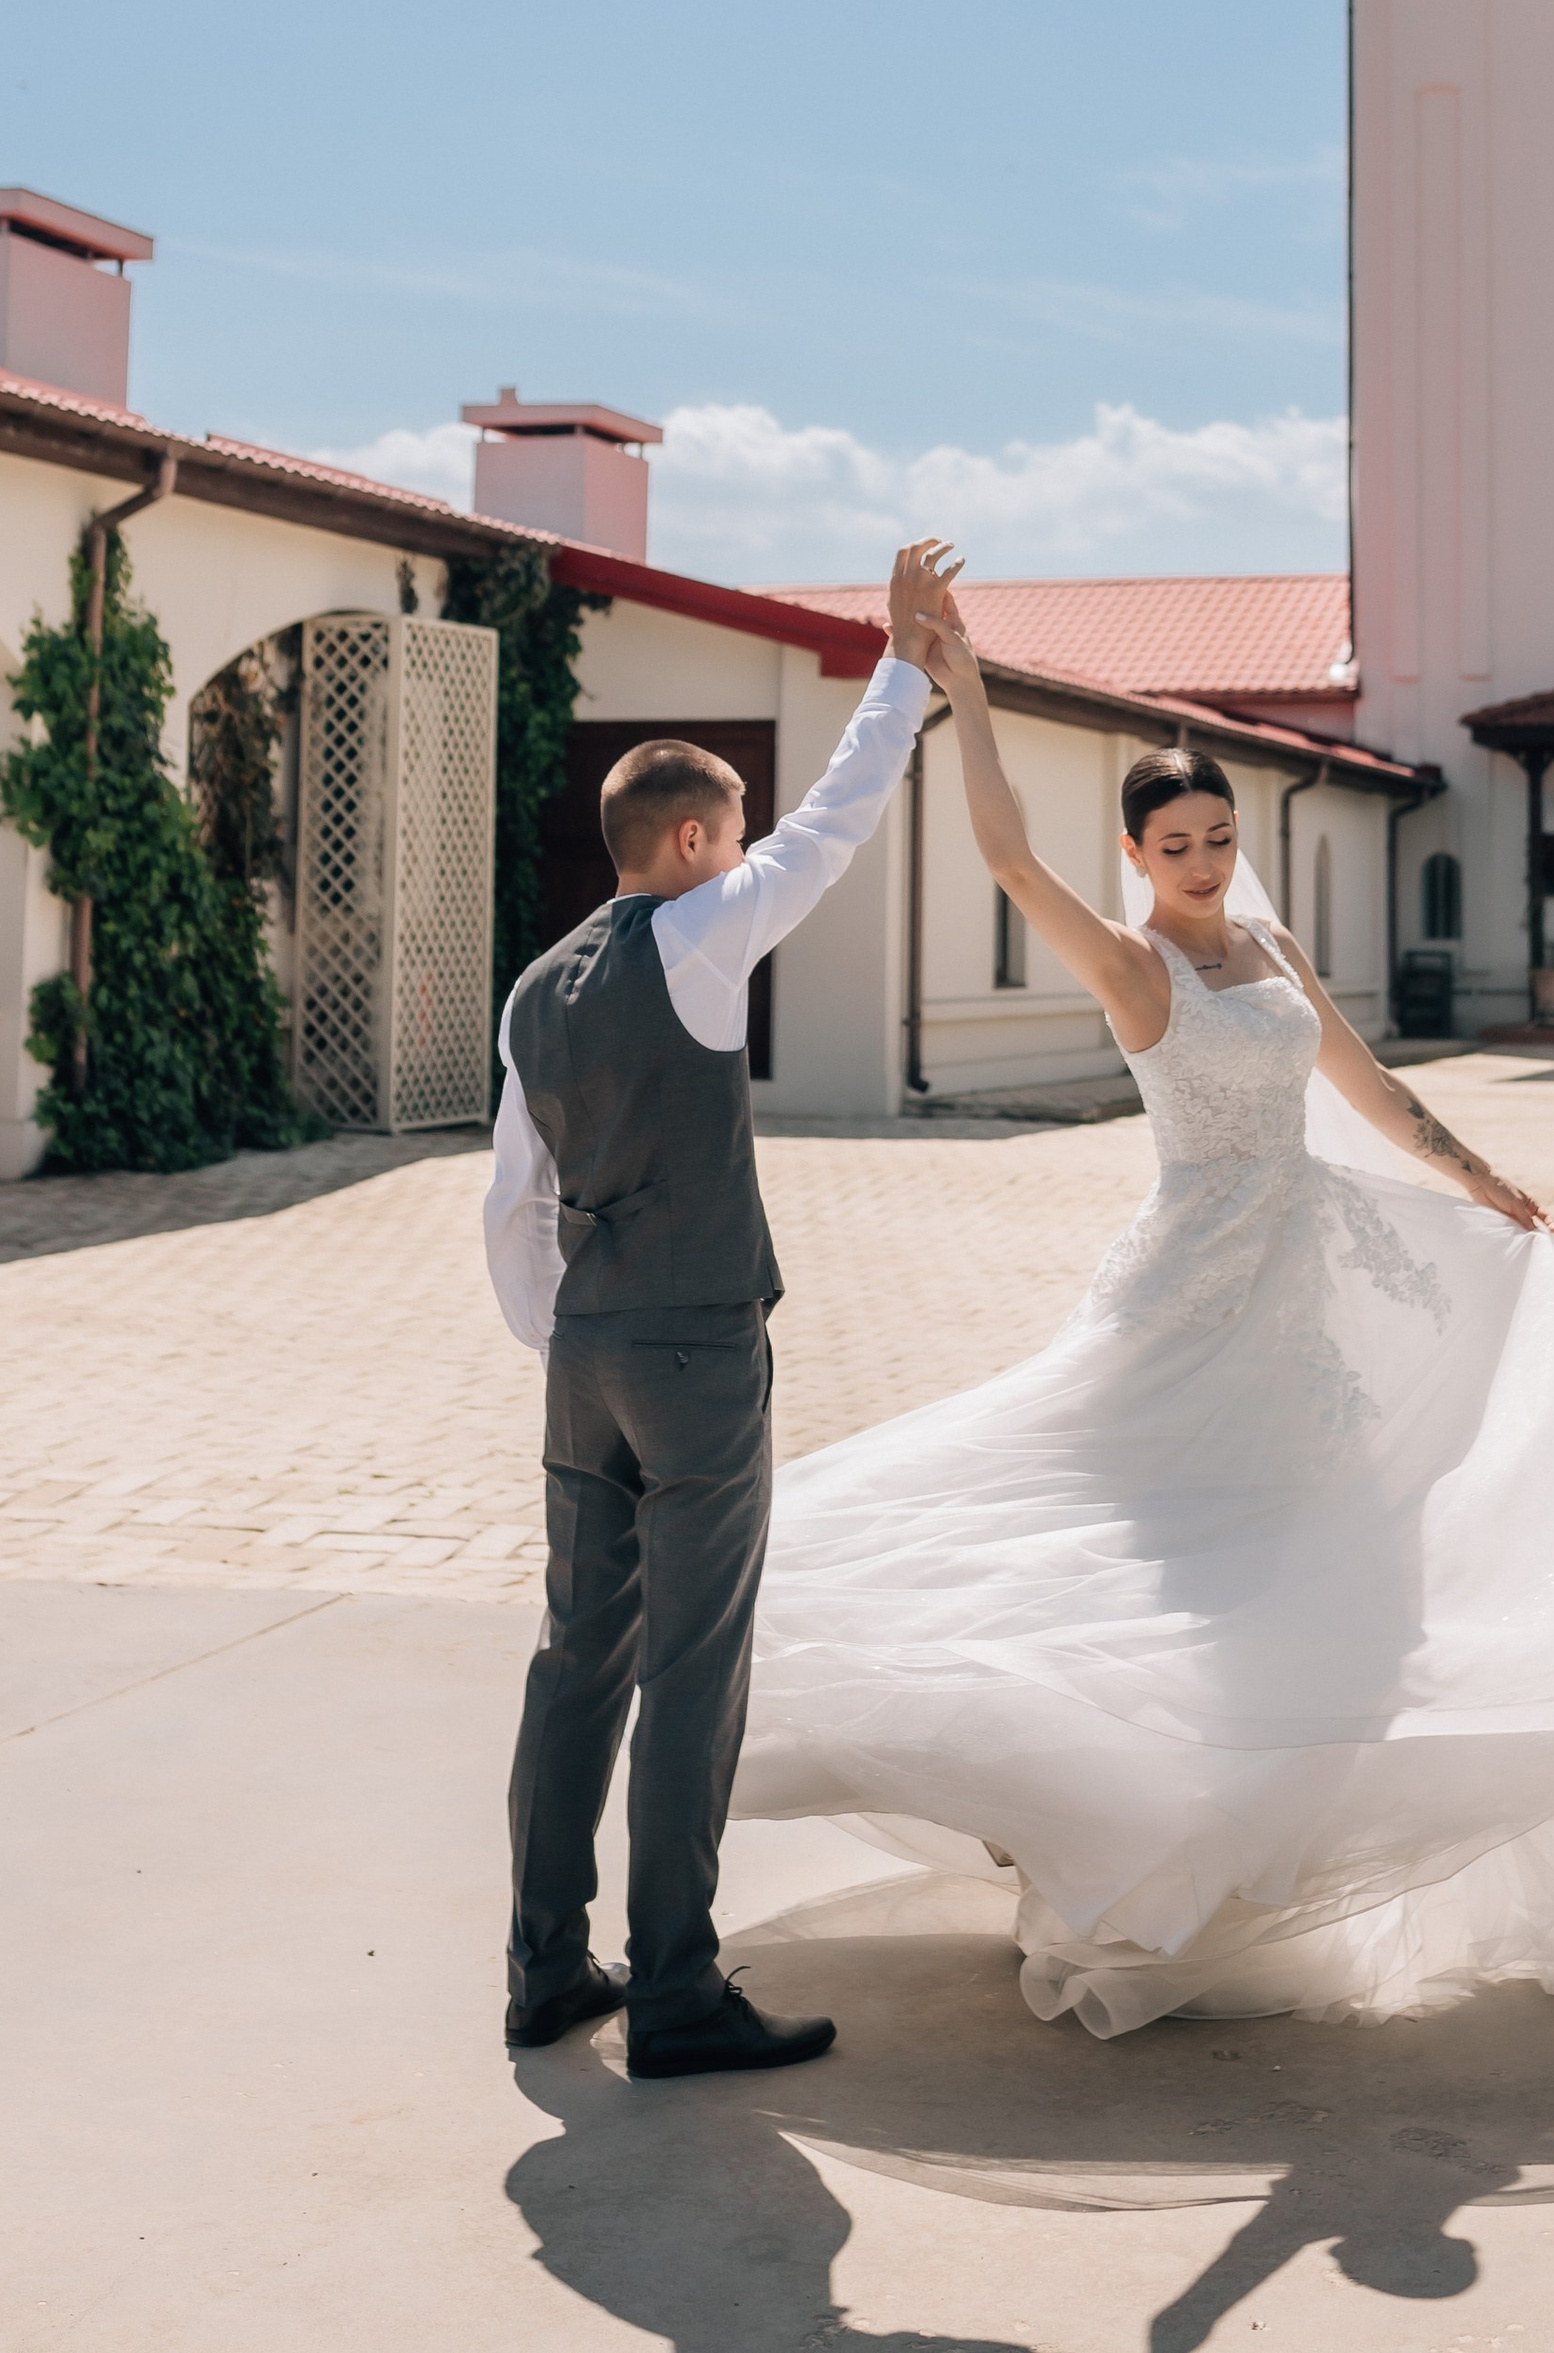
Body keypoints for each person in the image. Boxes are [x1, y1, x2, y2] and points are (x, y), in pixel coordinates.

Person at [733, 594, 1554, 2038]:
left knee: (1305, 1582)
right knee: (1149, 1564)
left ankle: (1225, 1871)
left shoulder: (1270, 945)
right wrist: (966, 687)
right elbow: (1001, 852)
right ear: (1135, 855)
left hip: (1305, 1288)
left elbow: (1359, 1084)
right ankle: (1089, 1840)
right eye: (1173, 846)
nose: (1200, 863)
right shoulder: (1136, 965)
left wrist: (1482, 1175)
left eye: (1218, 838)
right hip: (1187, 1292)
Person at [484, 537, 957, 2073]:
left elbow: (513, 1205)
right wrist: (898, 663)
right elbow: (835, 819)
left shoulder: (535, 986)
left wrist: (563, 1330)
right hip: (693, 1348)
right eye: (729, 837)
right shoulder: (700, 932)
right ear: (692, 838)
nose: (746, 859)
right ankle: (677, 1993)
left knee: (576, 1655)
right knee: (695, 1663)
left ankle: (546, 1964)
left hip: (585, 1353)